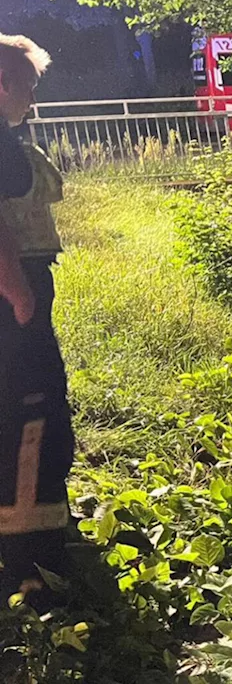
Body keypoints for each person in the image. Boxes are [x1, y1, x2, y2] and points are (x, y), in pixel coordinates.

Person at [0, 34, 73, 605]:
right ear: (4, 84)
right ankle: (34, 563)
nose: (33, 96)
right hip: (11, 300)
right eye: (29, 83)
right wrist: (20, 297)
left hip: (15, 293)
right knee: (32, 418)